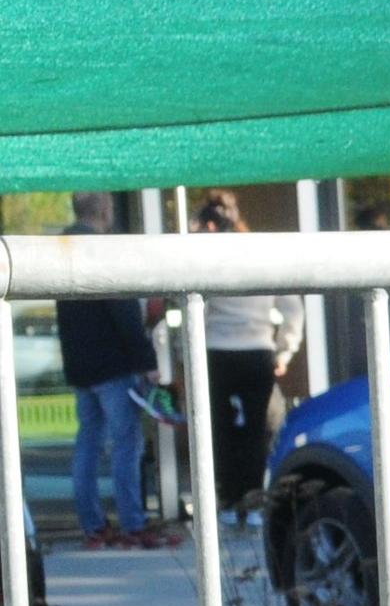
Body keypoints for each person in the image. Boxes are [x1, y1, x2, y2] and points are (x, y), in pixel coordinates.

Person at [54, 192, 167, 552]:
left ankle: (94, 526)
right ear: (105, 209)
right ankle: (133, 524)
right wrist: (147, 361)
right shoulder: (102, 251)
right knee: (126, 444)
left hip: (81, 367)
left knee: (88, 445)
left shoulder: (60, 251)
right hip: (114, 366)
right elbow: (124, 313)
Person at [190, 192, 299, 520]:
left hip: (216, 353)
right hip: (258, 352)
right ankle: (253, 501)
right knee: (258, 431)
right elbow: (292, 307)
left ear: (210, 224)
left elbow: (198, 310)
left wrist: (185, 351)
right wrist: (285, 350)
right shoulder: (261, 254)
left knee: (218, 430)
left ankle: (226, 500)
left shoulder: (205, 259)